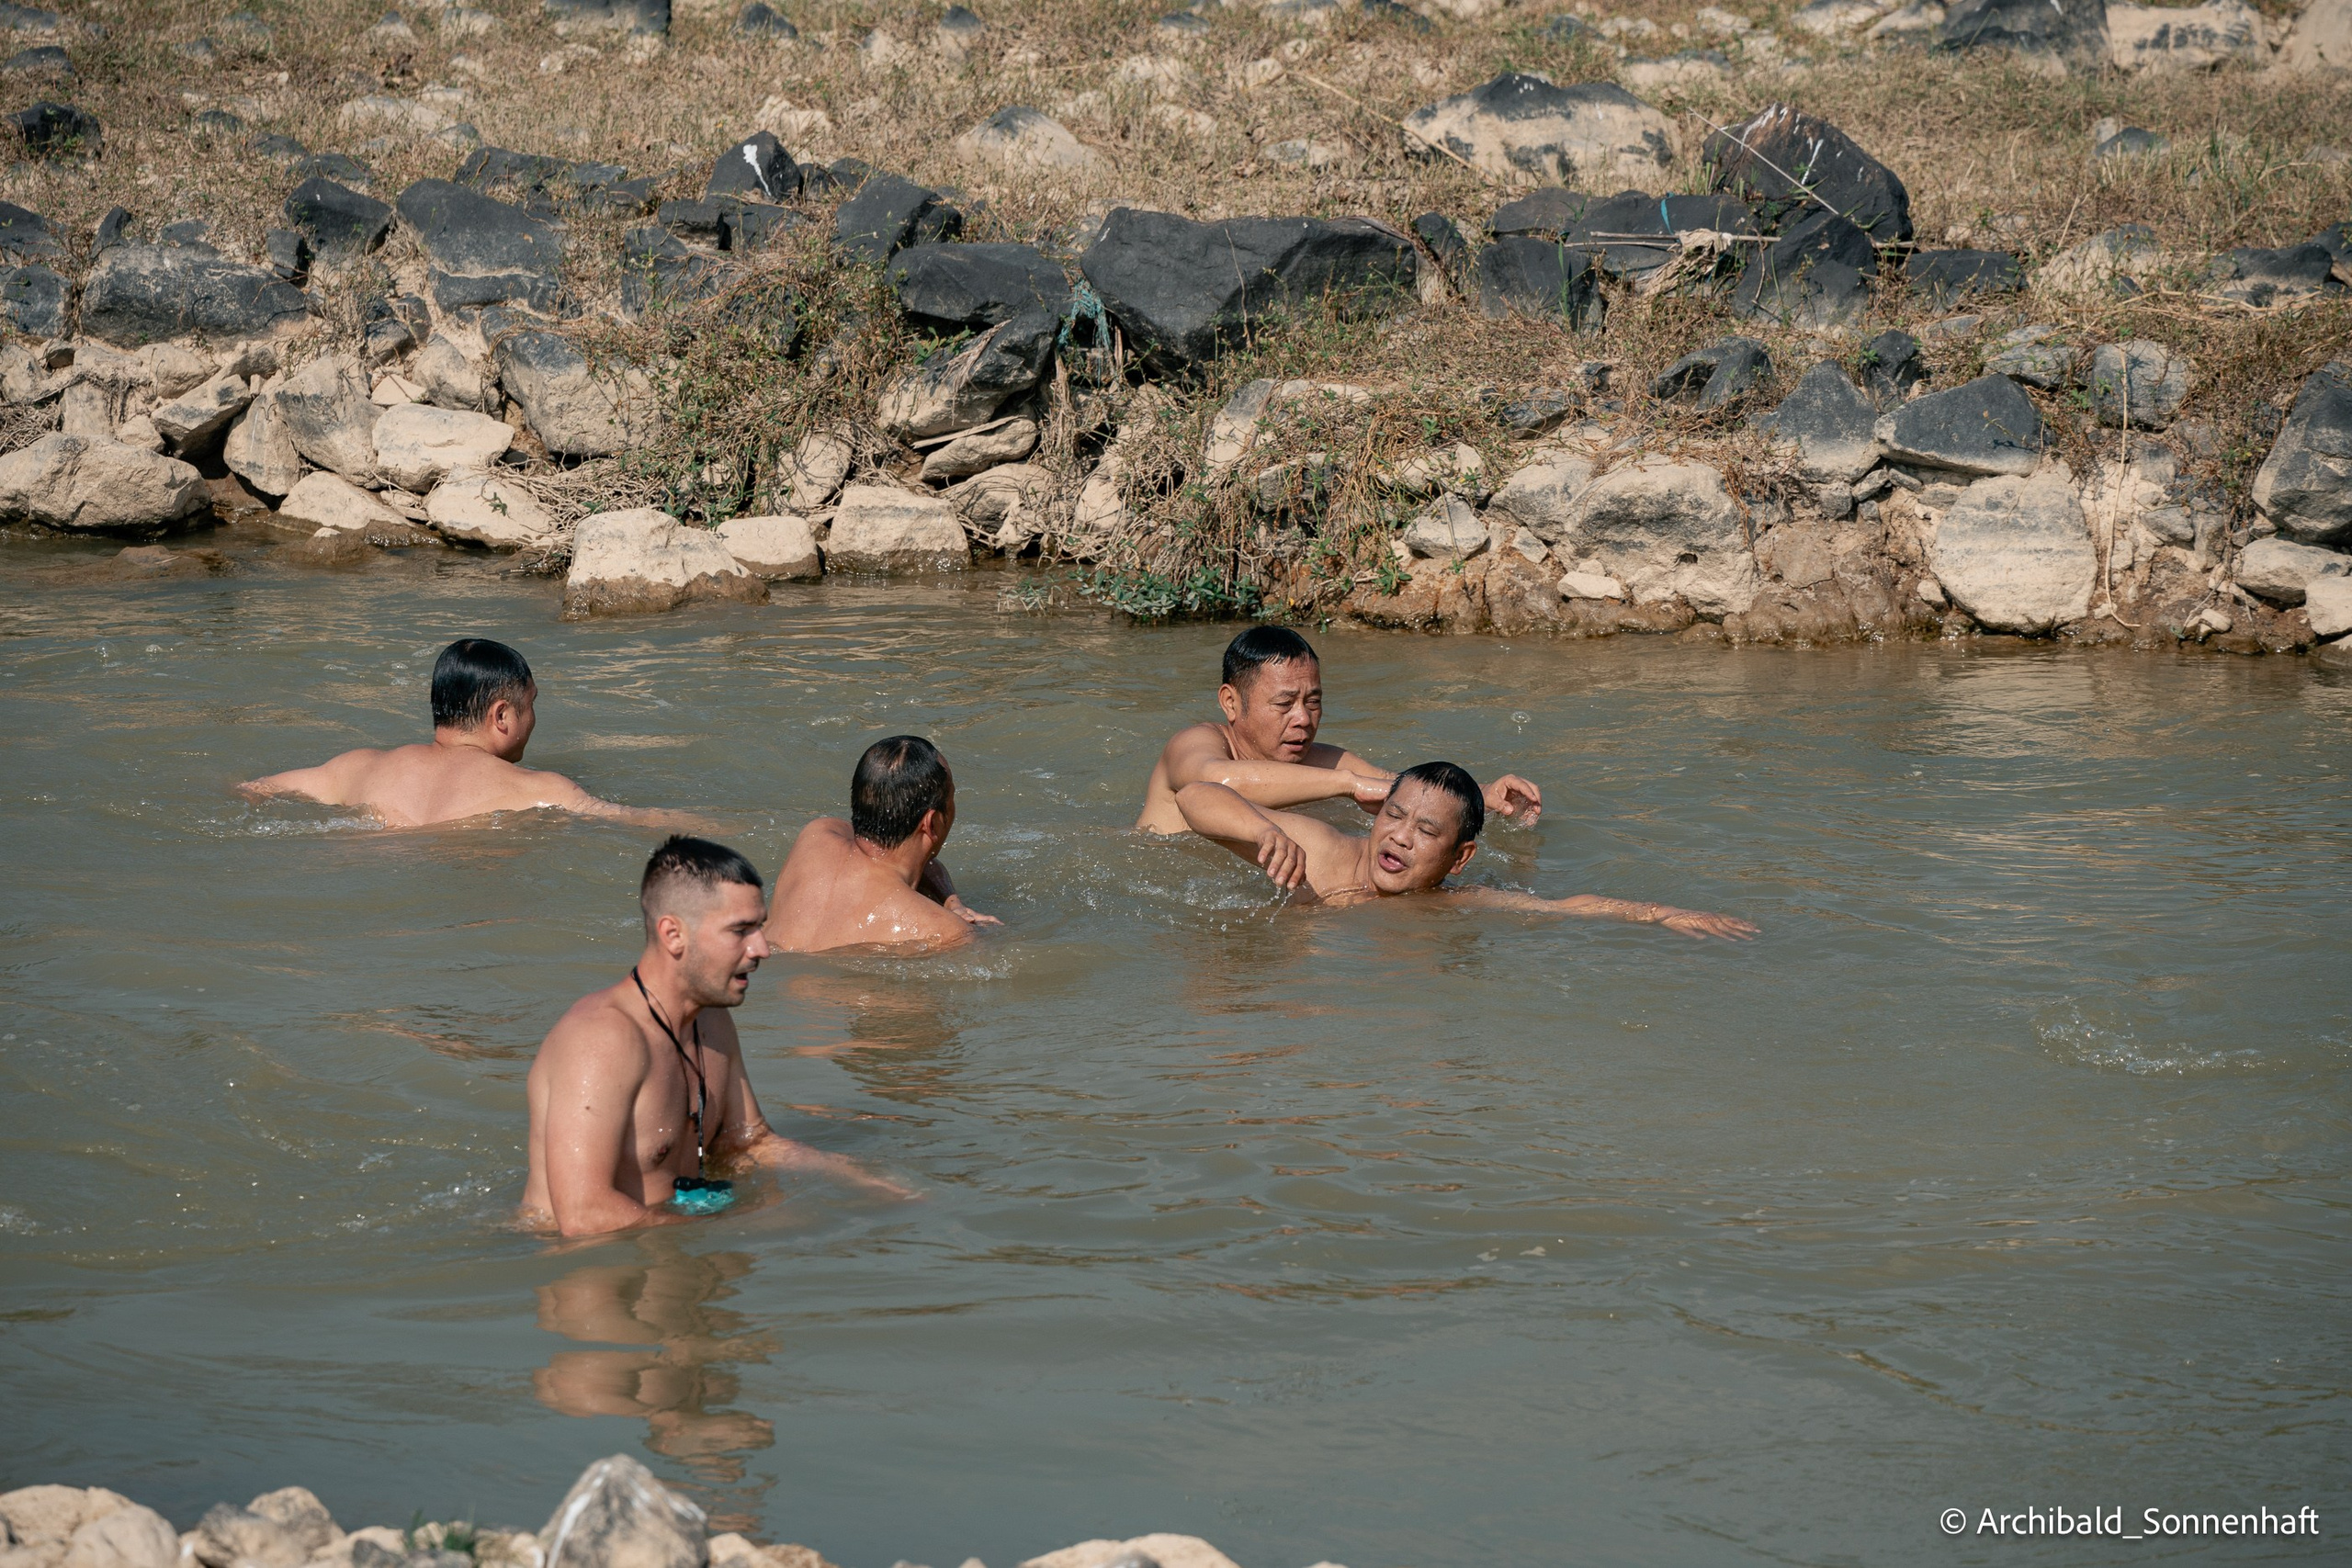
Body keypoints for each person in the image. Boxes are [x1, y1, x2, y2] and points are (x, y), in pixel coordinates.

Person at [521, 836, 908, 1237]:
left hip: (673, 1250)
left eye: (760, 927)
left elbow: (749, 1142)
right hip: (600, 1277)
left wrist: (860, 1180)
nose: (762, 948)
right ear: (673, 935)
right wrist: (738, 1229)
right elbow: (585, 1217)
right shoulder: (601, 1040)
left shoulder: (711, 1020)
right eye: (741, 930)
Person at [1175, 761, 1758, 940]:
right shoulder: (1321, 854)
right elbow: (1195, 794)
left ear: (1460, 859)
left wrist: (1664, 914)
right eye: (1395, 816)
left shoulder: (1453, 901)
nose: (1400, 836)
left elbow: (1563, 908)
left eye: (1427, 832)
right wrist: (1261, 831)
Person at [1134, 626, 1544, 835]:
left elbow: (1397, 787)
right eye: (1284, 704)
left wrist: (1480, 796)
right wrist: (1347, 784)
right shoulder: (1195, 743)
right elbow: (1213, 781)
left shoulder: (1320, 760)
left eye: (1313, 702)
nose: (1303, 719)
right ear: (1230, 703)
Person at [241, 637, 657, 829]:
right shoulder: (544, 790)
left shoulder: (358, 767)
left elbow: (253, 789)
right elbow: (643, 822)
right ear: (502, 716)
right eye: (531, 704)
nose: (533, 718)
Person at [764, 735, 999, 953]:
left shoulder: (816, 835)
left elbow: (911, 858)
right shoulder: (945, 932)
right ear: (932, 823)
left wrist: (951, 901)